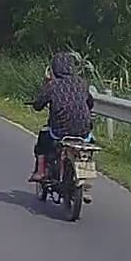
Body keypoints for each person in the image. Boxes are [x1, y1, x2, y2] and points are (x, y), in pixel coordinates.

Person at [29, 51, 94, 182]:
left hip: (60, 130)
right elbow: (90, 103)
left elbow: (39, 105)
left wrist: (45, 84)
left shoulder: (53, 85)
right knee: (88, 145)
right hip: (83, 130)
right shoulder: (82, 83)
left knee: (43, 138)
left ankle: (40, 171)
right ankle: (85, 176)